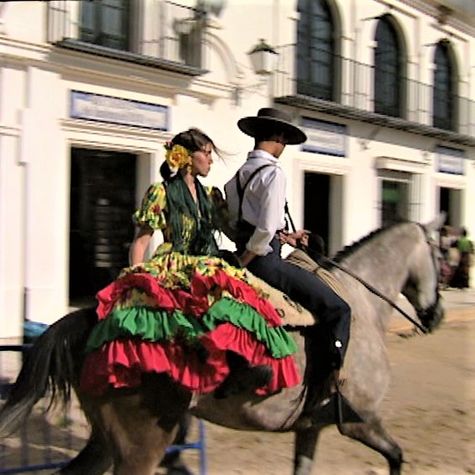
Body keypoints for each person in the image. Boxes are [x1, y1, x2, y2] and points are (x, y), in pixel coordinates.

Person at [79, 128, 300, 404]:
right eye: (206, 153)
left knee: (247, 309)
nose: (210, 160)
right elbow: (140, 243)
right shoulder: (161, 193)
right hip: (176, 264)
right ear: (185, 157)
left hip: (209, 263)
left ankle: (236, 369)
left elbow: (234, 233)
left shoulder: (211, 196)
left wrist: (284, 236)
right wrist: (135, 277)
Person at [224, 108, 352, 403]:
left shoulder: (236, 179)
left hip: (251, 253)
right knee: (338, 308)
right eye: (284, 140)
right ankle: (330, 380)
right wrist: (250, 258)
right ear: (279, 137)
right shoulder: (273, 173)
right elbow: (266, 227)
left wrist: (285, 236)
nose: (283, 146)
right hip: (267, 264)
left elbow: (237, 226)